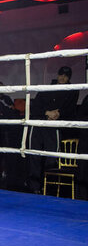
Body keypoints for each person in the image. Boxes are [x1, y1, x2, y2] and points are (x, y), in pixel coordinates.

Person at [27, 66, 79, 194]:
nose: (63, 77)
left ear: (69, 78)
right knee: (34, 156)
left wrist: (59, 114)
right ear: (57, 74)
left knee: (51, 157)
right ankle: (35, 187)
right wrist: (47, 113)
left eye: (66, 76)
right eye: (61, 74)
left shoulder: (72, 90)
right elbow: (35, 106)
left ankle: (49, 188)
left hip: (54, 126)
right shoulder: (46, 88)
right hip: (39, 124)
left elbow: (71, 109)